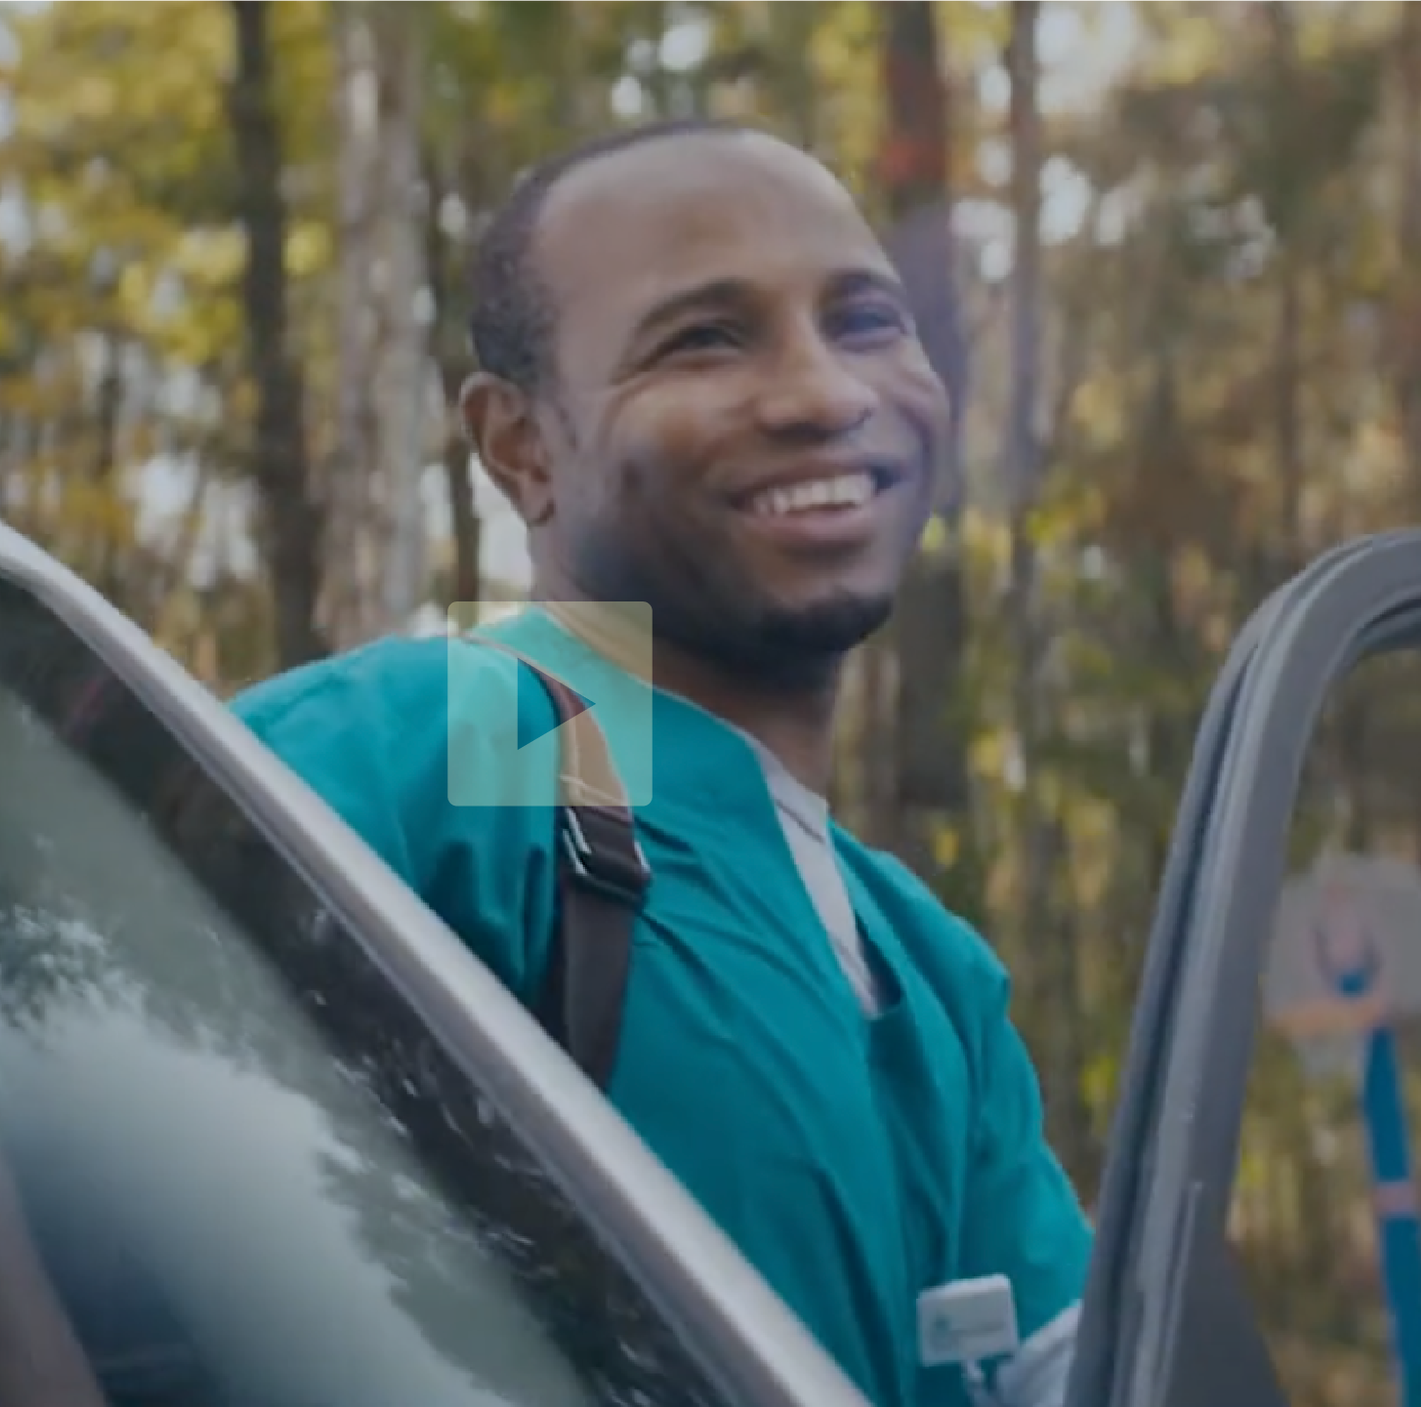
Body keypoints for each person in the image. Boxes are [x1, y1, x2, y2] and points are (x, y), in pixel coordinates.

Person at [233, 119, 1092, 1407]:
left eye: (866, 321)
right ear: (521, 446)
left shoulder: (923, 959)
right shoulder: (484, 730)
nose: (823, 393)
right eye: (704, 338)